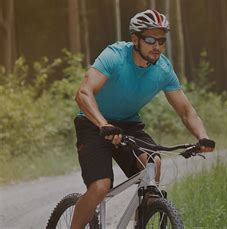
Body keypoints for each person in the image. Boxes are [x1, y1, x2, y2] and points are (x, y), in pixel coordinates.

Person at [71, 9, 215, 228]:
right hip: (93, 123)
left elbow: (186, 111)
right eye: (150, 39)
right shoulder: (115, 56)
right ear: (135, 39)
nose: (157, 46)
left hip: (128, 124)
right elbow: (83, 93)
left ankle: (143, 219)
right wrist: (104, 124)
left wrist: (202, 137)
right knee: (100, 186)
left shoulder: (163, 69)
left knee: (152, 162)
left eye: (161, 40)